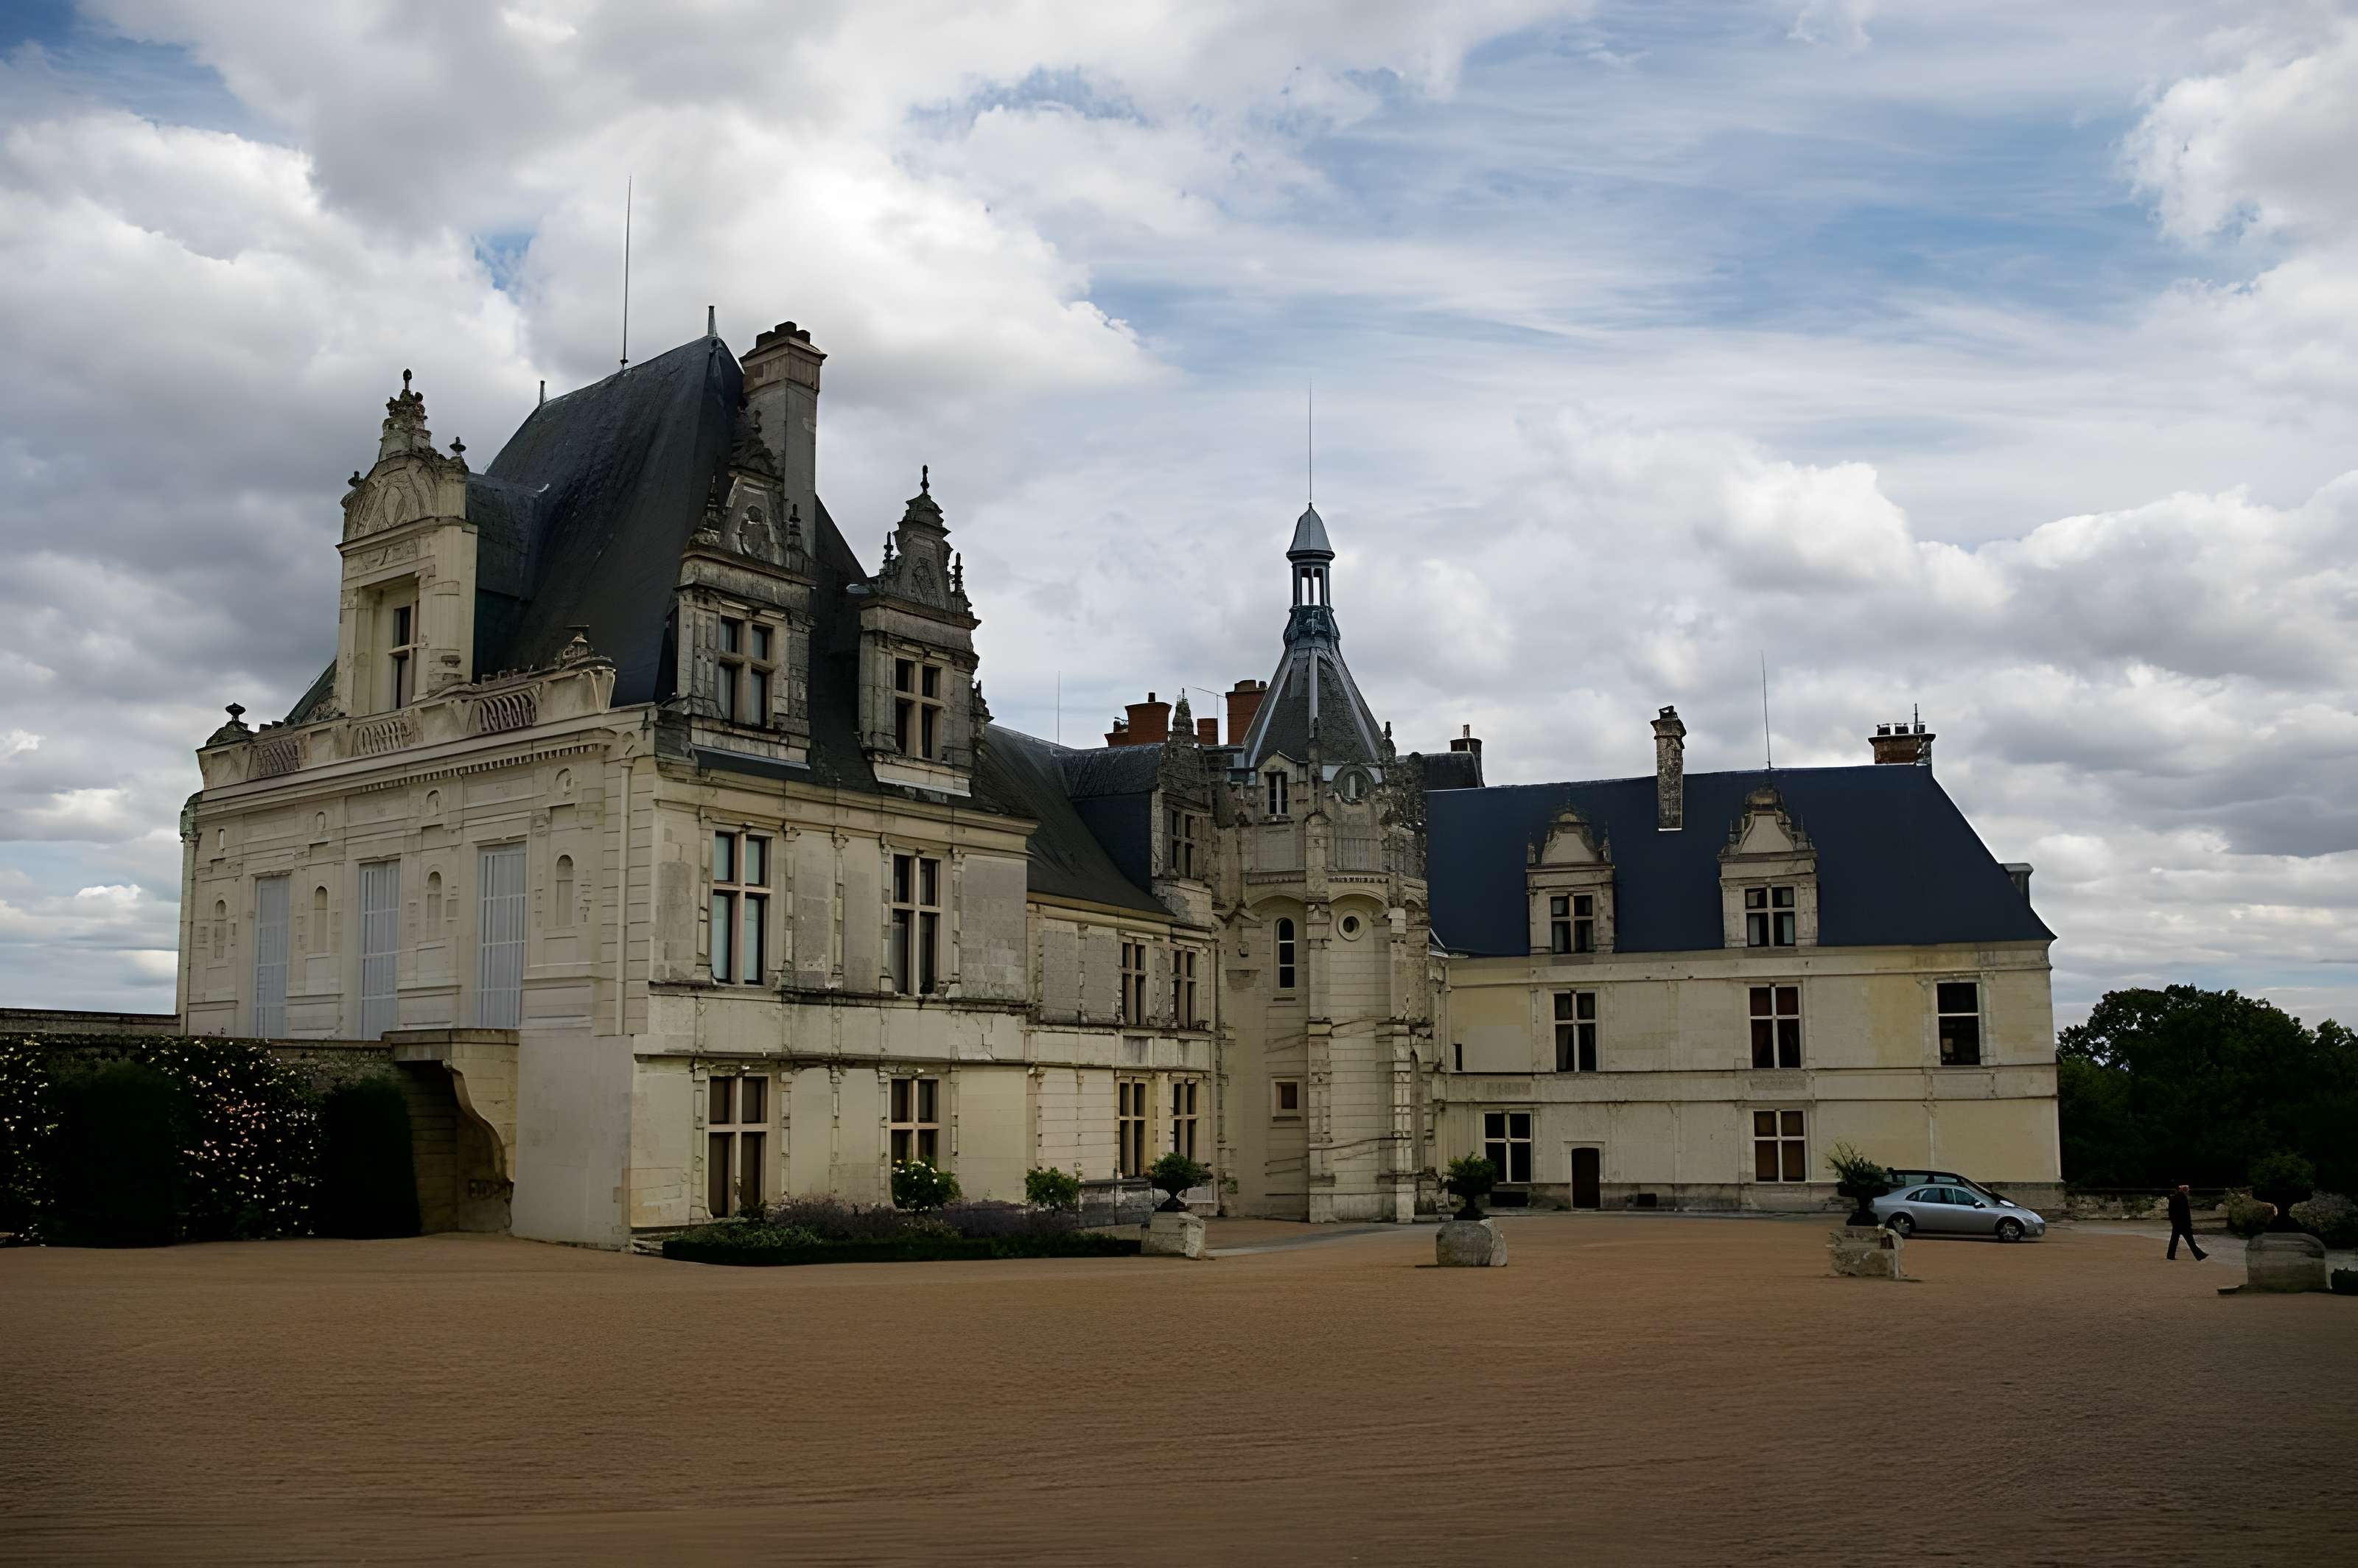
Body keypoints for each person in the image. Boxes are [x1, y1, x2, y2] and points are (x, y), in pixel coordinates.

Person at [2166, 1184, 2208, 1261]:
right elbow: (2185, 1214)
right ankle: (2199, 1255)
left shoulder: (2174, 1198)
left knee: (2175, 1240)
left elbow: (2171, 1212)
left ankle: (2170, 1255)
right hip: (2183, 1224)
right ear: (2184, 1191)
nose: (2188, 1192)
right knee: (2190, 1240)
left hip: (2177, 1223)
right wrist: (2188, 1223)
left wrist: (2173, 1221)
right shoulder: (2182, 1198)